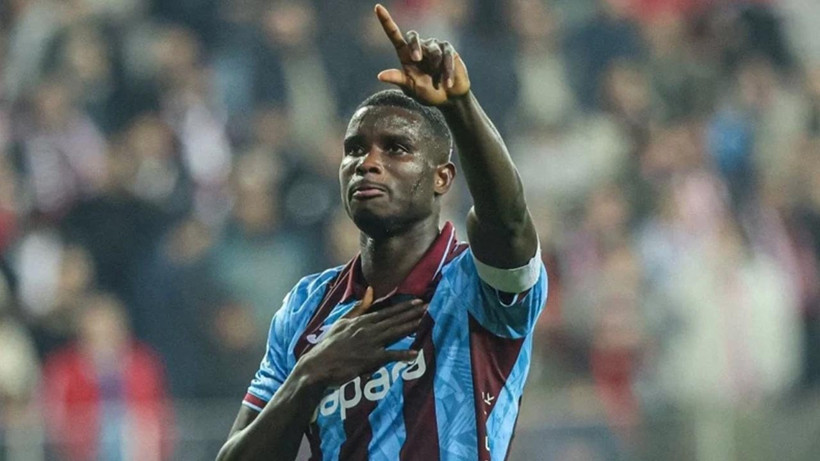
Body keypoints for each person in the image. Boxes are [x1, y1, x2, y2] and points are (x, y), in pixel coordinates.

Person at [217, 5, 547, 460]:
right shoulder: (305, 308)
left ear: (442, 178)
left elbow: (506, 220)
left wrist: (458, 105)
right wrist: (310, 376)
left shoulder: (479, 286)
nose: (367, 163)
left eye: (396, 148)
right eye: (354, 149)